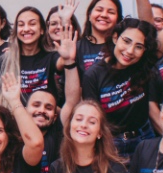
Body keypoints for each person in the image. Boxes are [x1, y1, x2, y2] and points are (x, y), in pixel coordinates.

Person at [62, 17, 158, 153]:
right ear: (115, 38)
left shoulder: (143, 65)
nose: (130, 51)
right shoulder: (93, 75)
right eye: (126, 41)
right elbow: (92, 116)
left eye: (139, 47)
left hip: (145, 136)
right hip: (112, 143)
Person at [0, 6, 62, 101]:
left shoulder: (51, 57)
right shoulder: (5, 59)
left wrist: (65, 22)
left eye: (32, 24)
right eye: (21, 25)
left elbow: (63, 63)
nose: (26, 29)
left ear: (41, 30)